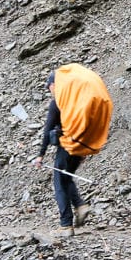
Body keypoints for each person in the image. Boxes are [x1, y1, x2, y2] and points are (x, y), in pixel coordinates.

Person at [32, 70, 92, 235]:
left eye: (49, 86)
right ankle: (80, 205)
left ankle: (65, 225)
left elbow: (47, 131)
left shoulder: (57, 102)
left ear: (55, 85)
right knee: (66, 178)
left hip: (66, 147)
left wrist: (41, 155)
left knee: (59, 184)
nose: (49, 90)